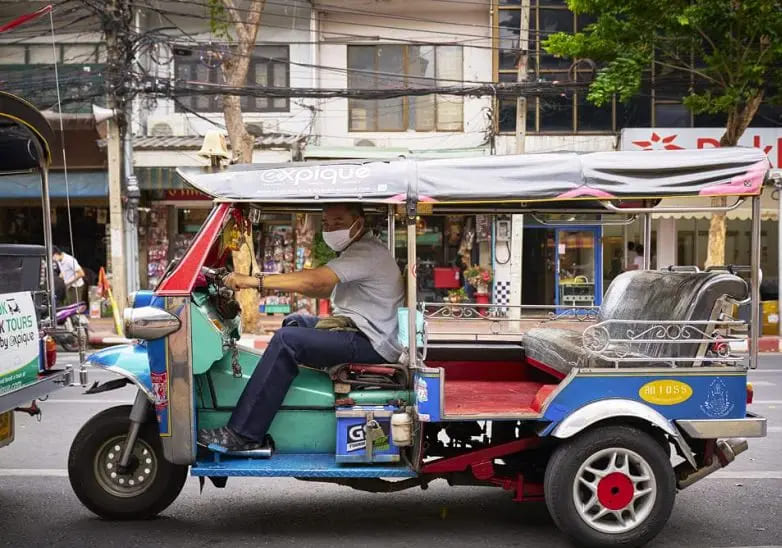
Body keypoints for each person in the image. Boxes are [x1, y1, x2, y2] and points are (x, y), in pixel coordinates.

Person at [197, 203, 404, 451]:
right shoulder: (358, 251)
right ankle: (291, 401)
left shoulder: (366, 252)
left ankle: (243, 435)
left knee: (287, 340)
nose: (331, 229)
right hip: (359, 331)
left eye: (338, 222)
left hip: (372, 343)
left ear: (358, 223)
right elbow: (321, 285)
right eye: (327, 224)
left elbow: (316, 281)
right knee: (294, 322)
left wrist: (253, 280)